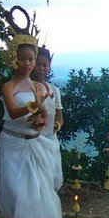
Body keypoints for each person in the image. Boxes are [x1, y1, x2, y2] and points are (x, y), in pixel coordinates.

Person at [0, 8, 62, 218]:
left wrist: (41, 118)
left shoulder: (37, 86)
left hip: (31, 141)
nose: (27, 63)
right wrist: (33, 107)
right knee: (12, 185)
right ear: (14, 59)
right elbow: (14, 112)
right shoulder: (9, 86)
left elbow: (44, 114)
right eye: (23, 59)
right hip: (12, 139)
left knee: (31, 187)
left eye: (31, 59)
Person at [32, 45, 64, 191]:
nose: (41, 68)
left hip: (50, 138)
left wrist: (56, 125)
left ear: (49, 67)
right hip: (33, 137)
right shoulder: (27, 87)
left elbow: (59, 117)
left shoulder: (54, 90)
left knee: (50, 175)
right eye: (38, 64)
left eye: (45, 65)